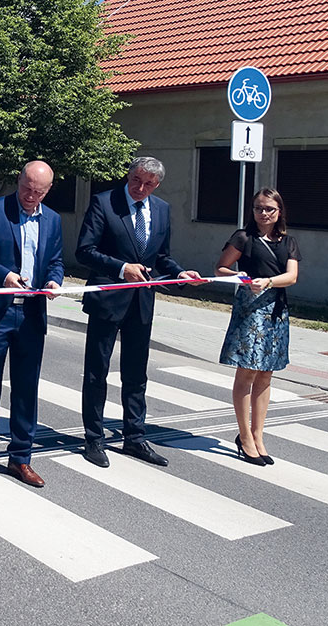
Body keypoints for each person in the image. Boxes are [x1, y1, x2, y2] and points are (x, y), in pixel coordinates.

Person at [76, 156, 202, 469]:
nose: (140, 188)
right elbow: (85, 250)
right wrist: (121, 269)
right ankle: (94, 438)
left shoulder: (161, 209)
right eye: (136, 181)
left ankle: (134, 436)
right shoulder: (104, 203)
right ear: (129, 175)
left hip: (142, 303)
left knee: (136, 374)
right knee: (97, 372)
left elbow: (162, 257)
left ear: (157, 185)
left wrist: (180, 274)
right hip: (108, 299)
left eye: (148, 184)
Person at [0, 161, 64, 488]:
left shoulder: (53, 220)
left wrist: (54, 281)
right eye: (26, 189)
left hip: (32, 314)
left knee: (26, 388)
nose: (31, 196)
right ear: (18, 181)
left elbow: (56, 261)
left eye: (39, 192)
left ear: (48, 191)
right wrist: (3, 275)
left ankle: (21, 458)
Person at [214, 188, 300, 466]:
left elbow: (292, 276)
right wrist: (239, 275)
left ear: (279, 212)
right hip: (250, 310)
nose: (264, 213)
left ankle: (258, 435)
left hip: (276, 311)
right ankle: (244, 436)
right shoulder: (243, 237)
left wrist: (270, 281)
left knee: (266, 375)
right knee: (247, 373)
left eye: (270, 209)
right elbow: (221, 268)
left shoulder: (288, 241)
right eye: (259, 208)